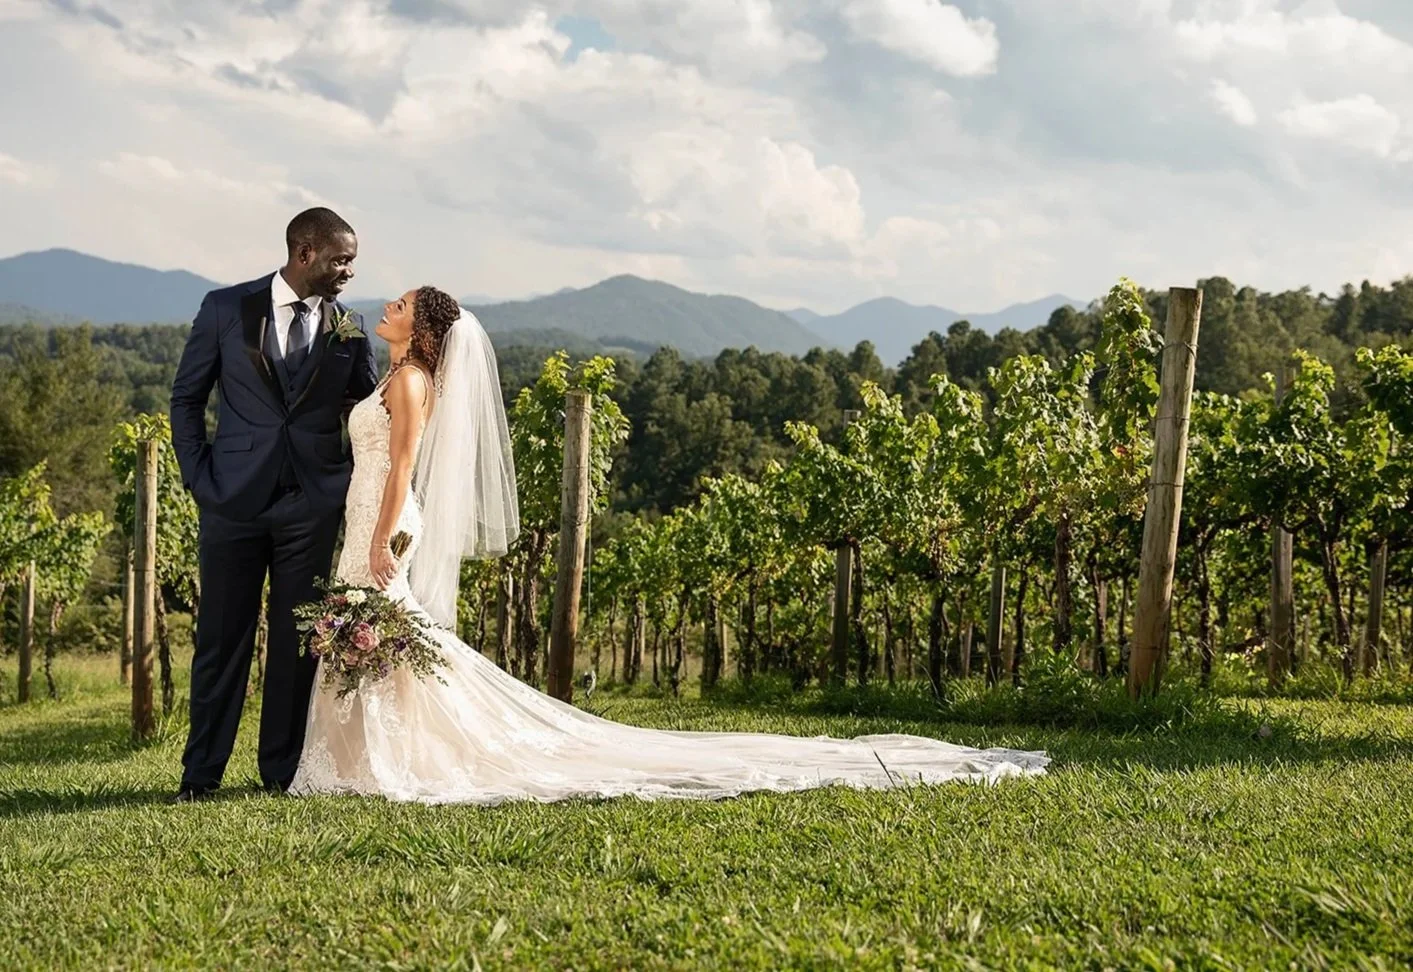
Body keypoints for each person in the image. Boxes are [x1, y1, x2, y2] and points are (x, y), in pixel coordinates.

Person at [290, 286, 1049, 804]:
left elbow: (402, 467)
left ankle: (381, 762)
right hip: (368, 510)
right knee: (381, 633)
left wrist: (387, 534)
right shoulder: (399, 373)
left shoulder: (412, 383)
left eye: (398, 305)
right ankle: (364, 760)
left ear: (421, 327)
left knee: (378, 626)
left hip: (382, 514)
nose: (386, 308)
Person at [169, 208, 378, 802]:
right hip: (231, 501)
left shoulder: (351, 327)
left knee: (297, 642)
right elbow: (187, 399)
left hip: (310, 507)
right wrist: (199, 479)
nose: (349, 272)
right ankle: (200, 776)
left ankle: (281, 773)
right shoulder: (225, 309)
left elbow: (366, 409)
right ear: (304, 252)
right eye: (342, 259)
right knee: (220, 638)